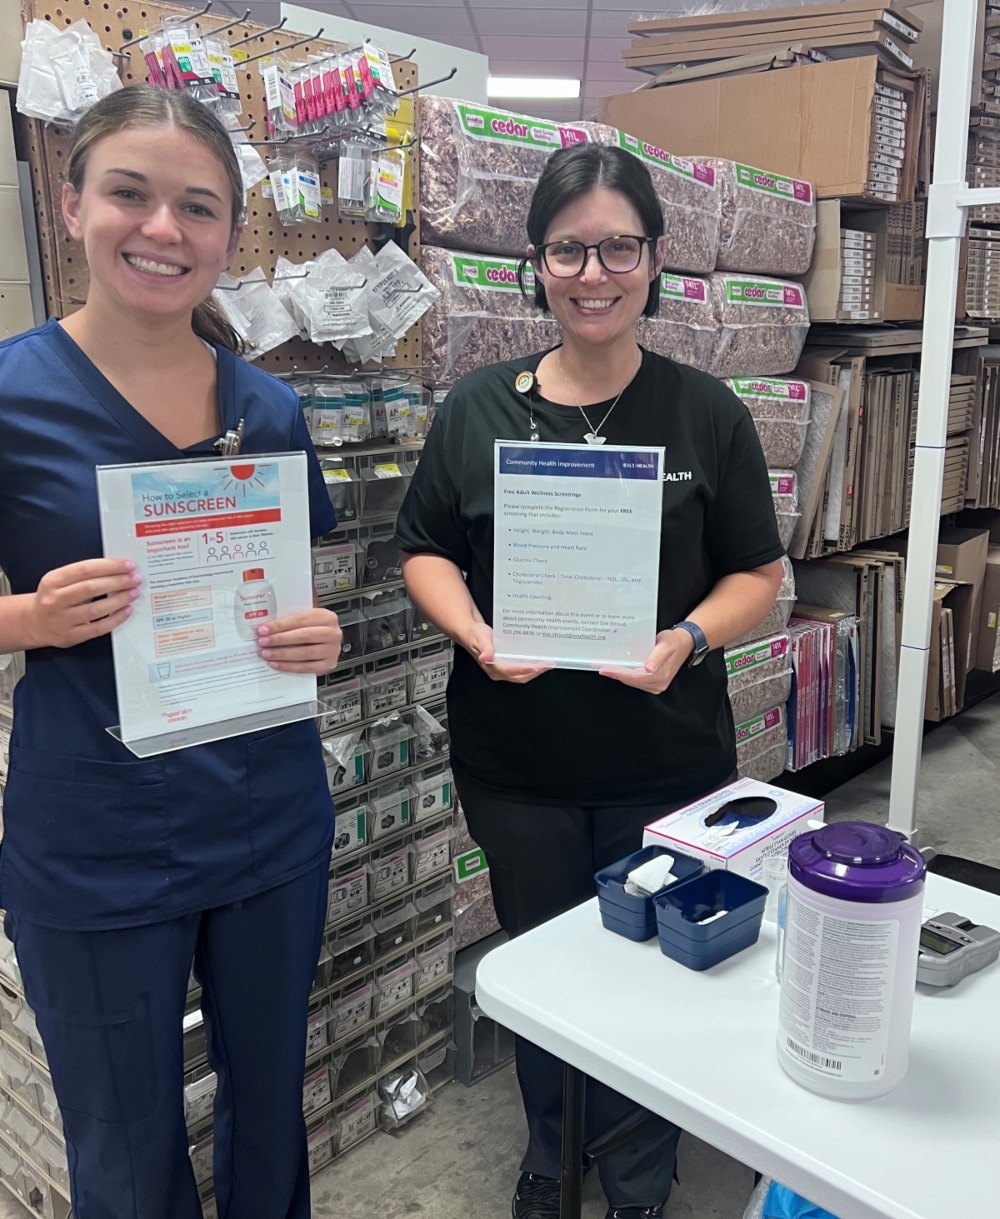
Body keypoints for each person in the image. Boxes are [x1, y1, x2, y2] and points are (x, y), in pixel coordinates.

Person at [395, 144, 786, 1219]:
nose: (593, 271)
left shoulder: (707, 414)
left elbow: (759, 572)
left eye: (618, 246)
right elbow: (422, 546)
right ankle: (549, 1148)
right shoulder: (477, 408)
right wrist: (474, 630)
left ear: (654, 260)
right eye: (569, 248)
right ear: (537, 261)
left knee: (653, 974)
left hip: (663, 764)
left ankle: (635, 1175)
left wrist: (686, 641)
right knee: (546, 970)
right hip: (517, 767)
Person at [0, 87, 341, 1219]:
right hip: (96, 832)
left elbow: (291, 592)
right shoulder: (11, 398)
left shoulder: (271, 408)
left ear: (230, 235)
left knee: (268, 1116)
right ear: (70, 207)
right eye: (129, 194)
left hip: (267, 813)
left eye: (197, 207)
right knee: (124, 1144)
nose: (162, 229)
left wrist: (315, 633)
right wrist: (25, 622)